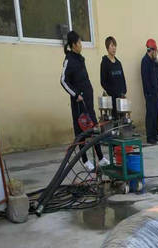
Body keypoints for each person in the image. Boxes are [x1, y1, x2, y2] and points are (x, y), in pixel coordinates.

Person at [60, 30, 108, 171]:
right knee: (81, 132)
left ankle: (101, 158)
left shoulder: (80, 59)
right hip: (79, 104)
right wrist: (76, 95)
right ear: (74, 45)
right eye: (79, 42)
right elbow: (63, 81)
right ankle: (85, 160)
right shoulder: (69, 60)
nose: (81, 44)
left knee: (94, 128)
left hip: (88, 101)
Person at [141, 38, 158, 144]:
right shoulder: (145, 61)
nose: (156, 53)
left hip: (156, 93)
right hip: (150, 94)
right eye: (156, 51)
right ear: (151, 50)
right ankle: (150, 137)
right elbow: (145, 79)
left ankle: (155, 134)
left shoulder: (155, 61)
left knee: (155, 114)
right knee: (150, 114)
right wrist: (149, 93)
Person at [100, 36, 127, 119]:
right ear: (107, 48)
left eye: (115, 45)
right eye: (112, 46)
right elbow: (103, 81)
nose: (114, 48)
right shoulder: (105, 63)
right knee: (114, 120)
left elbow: (123, 79)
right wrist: (112, 93)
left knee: (123, 120)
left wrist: (123, 92)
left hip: (121, 99)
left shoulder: (118, 63)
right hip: (111, 99)